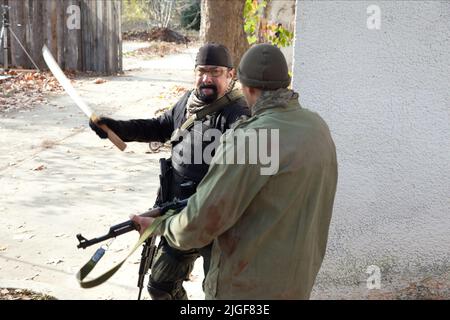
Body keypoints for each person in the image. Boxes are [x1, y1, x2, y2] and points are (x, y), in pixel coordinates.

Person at [131, 43, 338, 299]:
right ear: (285, 82)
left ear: (245, 86)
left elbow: (203, 221)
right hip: (298, 279)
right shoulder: (316, 126)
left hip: (247, 287)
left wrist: (161, 227)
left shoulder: (252, 138)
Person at [89, 43, 250, 300]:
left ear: (231, 75)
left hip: (216, 221)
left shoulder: (237, 114)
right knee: (160, 286)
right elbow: (159, 127)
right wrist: (116, 128)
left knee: (219, 294)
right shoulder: (188, 102)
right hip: (177, 217)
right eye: (202, 71)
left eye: (216, 72)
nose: (207, 78)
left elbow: (242, 172)